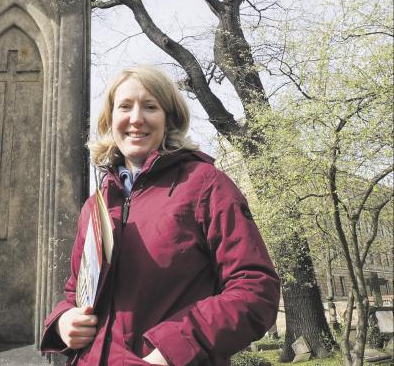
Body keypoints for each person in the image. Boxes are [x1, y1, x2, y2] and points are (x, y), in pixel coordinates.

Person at [40, 66, 280, 365]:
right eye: (125, 106)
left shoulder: (206, 185)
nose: (136, 118)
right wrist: (63, 320)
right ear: (110, 120)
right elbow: (76, 291)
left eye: (150, 107)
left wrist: (173, 349)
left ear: (169, 120)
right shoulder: (96, 204)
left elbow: (255, 289)